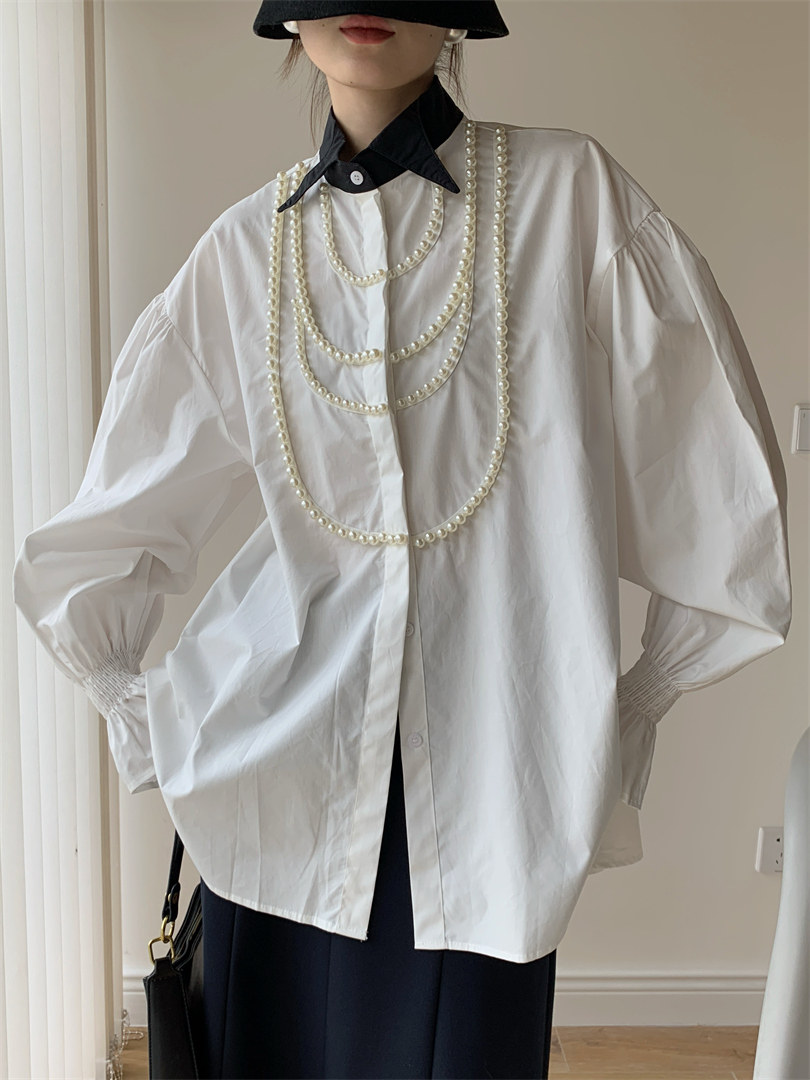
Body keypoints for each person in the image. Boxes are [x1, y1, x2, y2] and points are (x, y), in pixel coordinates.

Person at [12, 2, 792, 1078]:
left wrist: (627, 703)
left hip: (489, 793)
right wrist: (146, 711)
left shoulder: (571, 200)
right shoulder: (249, 250)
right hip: (275, 790)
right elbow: (110, 524)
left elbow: (719, 476)